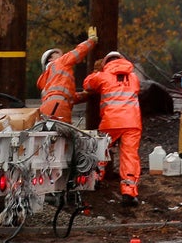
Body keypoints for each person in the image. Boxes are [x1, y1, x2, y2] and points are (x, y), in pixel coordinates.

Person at [83, 50, 142, 208]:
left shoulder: (102, 76)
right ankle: (129, 193)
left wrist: (96, 72)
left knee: (101, 151)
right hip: (132, 123)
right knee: (129, 156)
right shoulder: (134, 77)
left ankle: (94, 181)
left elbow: (87, 84)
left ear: (106, 63)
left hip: (111, 121)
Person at [37, 27, 97, 123]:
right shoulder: (59, 63)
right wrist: (91, 41)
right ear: (50, 59)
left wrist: (85, 95)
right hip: (59, 106)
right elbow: (77, 52)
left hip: (46, 109)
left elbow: (68, 96)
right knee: (64, 135)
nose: (61, 55)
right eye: (56, 53)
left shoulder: (48, 79)